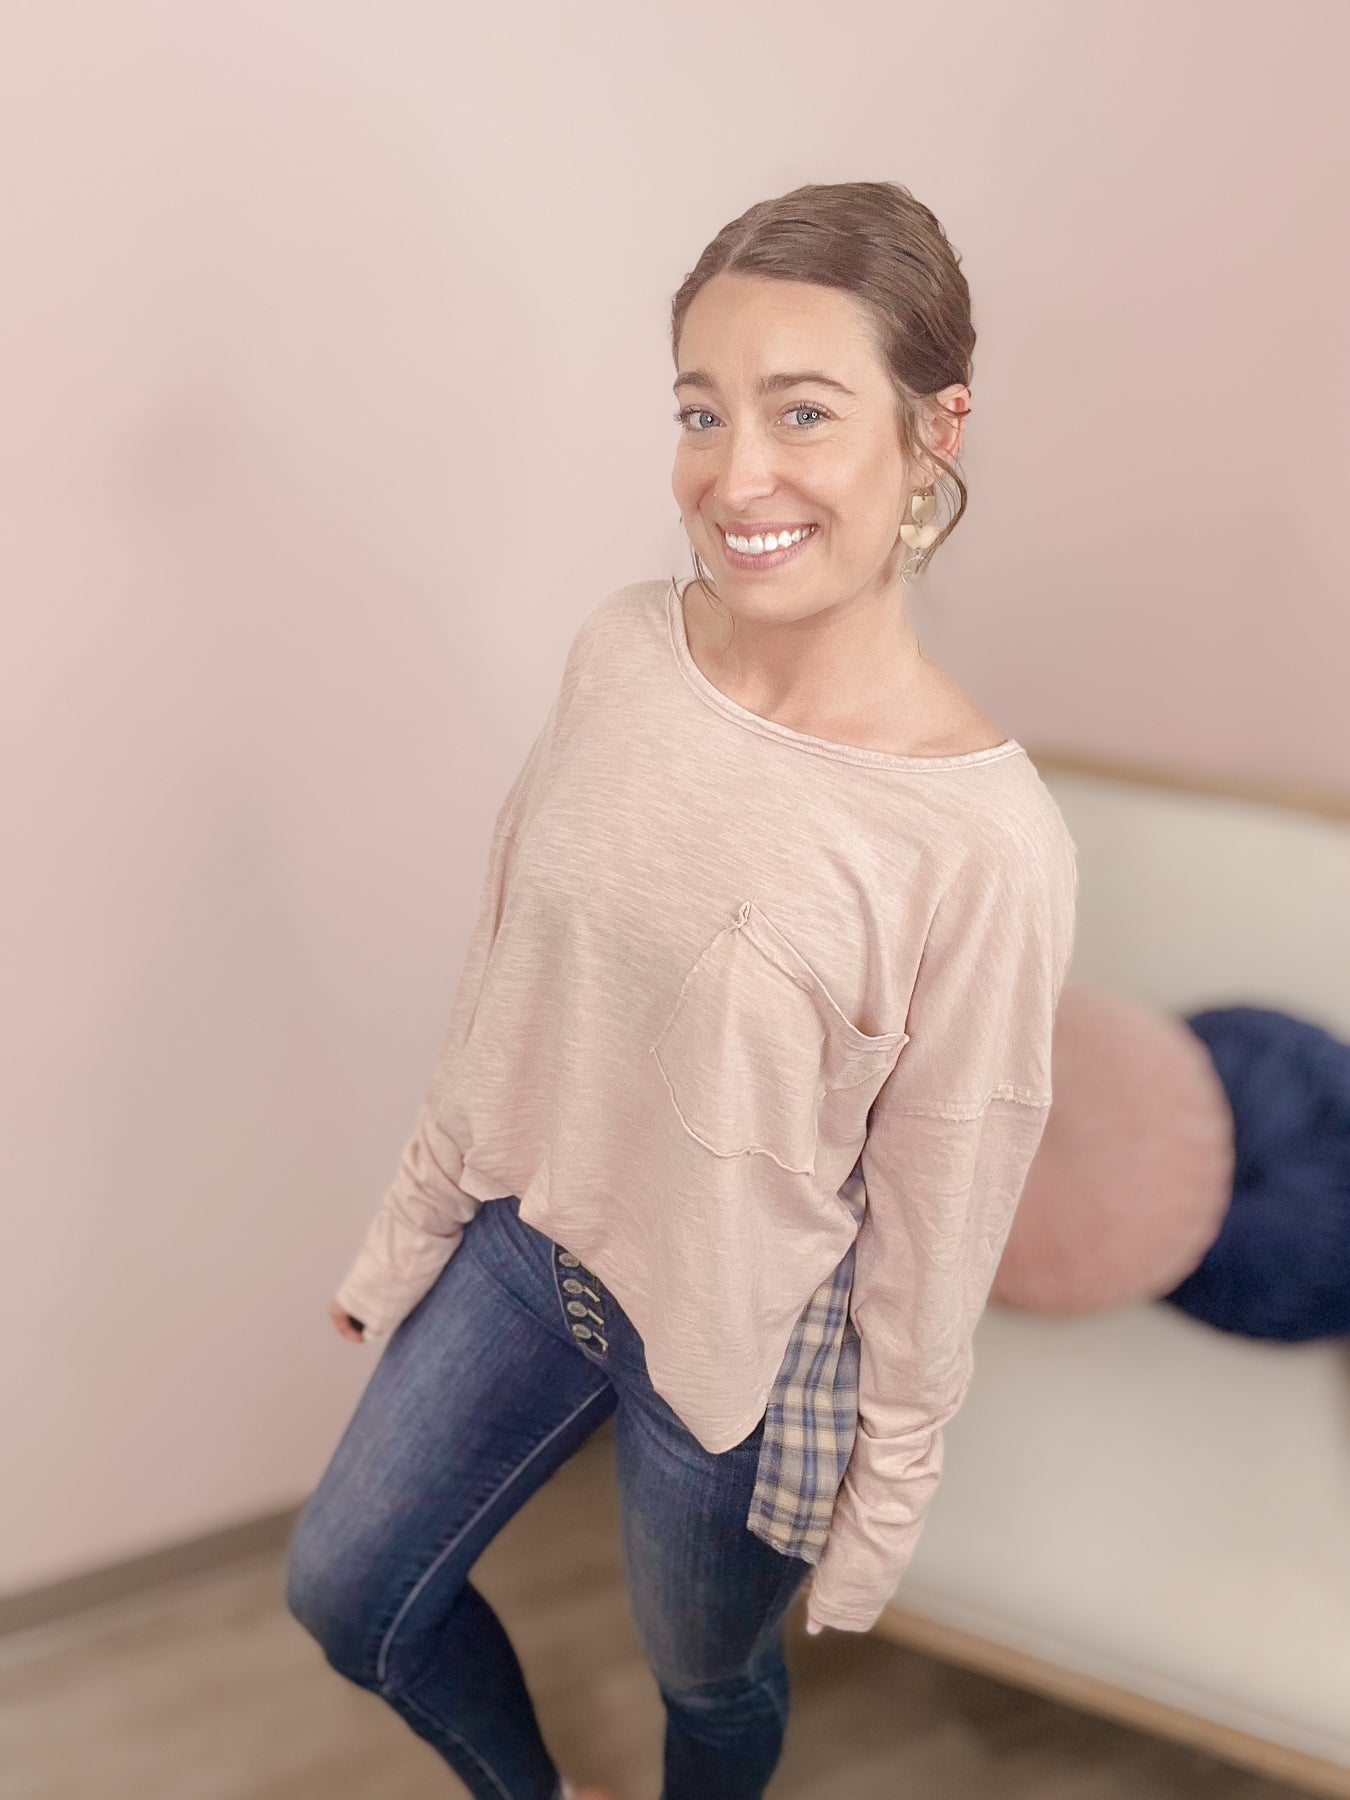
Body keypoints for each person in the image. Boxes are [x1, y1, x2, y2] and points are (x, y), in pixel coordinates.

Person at [283, 179, 1078, 1800]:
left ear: (933, 429)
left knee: (707, 1681)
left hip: (741, 1357)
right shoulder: (621, 652)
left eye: (803, 410)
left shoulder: (983, 842)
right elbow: (507, 982)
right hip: (528, 1250)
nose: (735, 474)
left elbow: (942, 1213)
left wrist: (882, 1506)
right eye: (700, 412)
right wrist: (410, 1230)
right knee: (347, 1594)